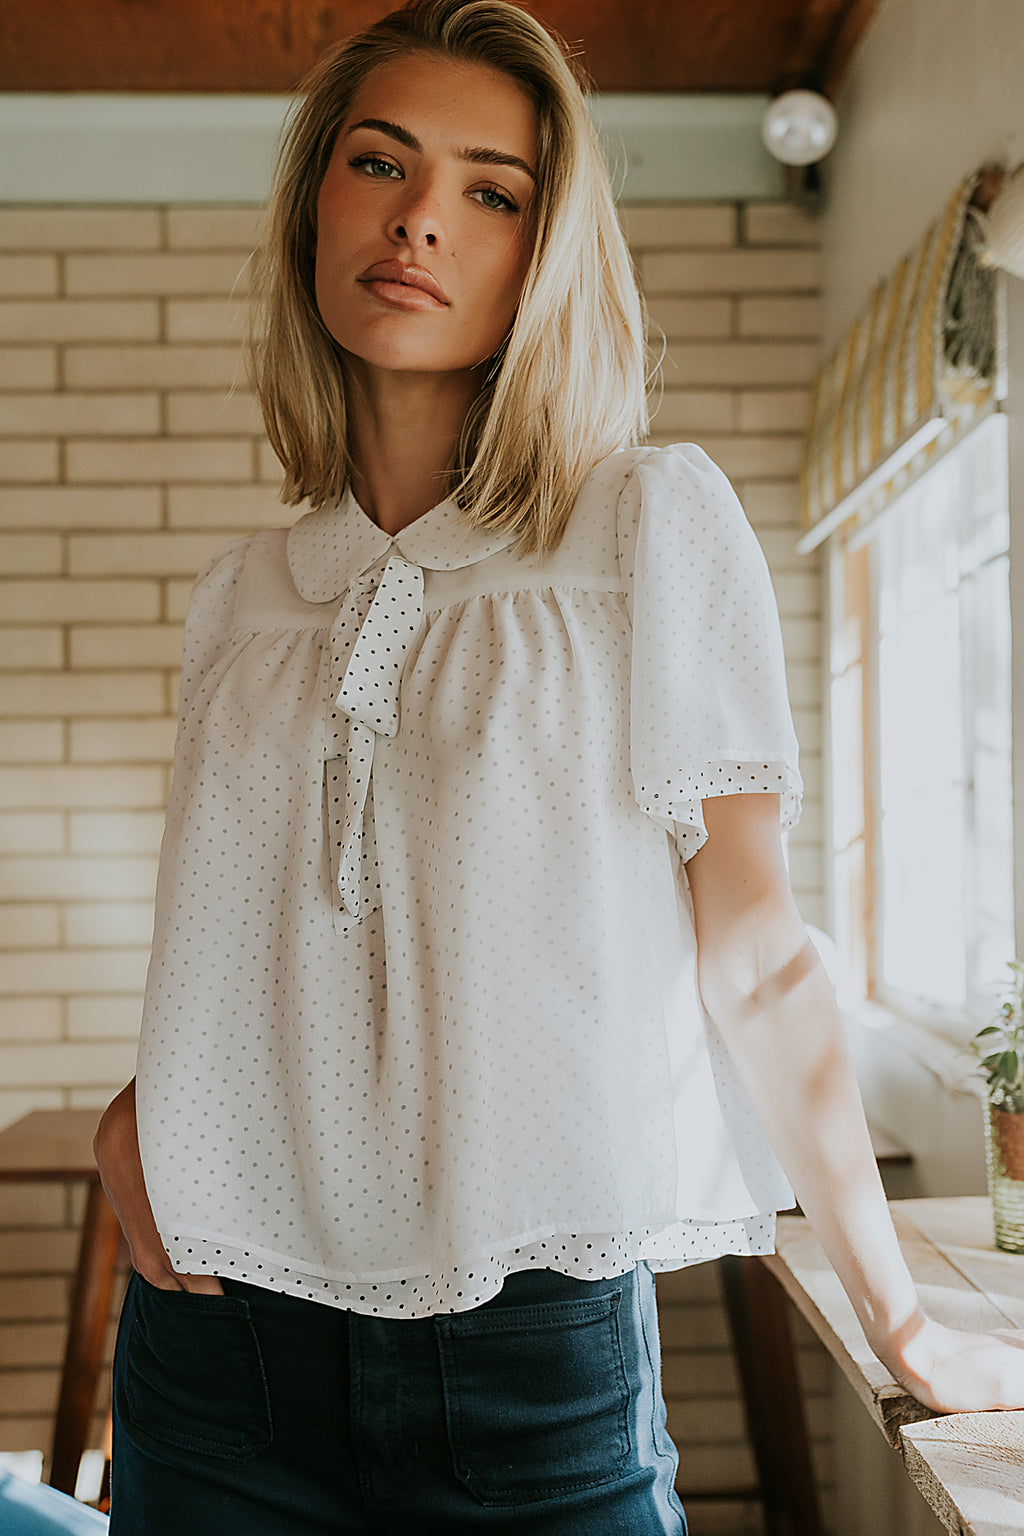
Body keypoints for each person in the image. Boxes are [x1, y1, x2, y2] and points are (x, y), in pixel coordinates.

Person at [93, 1, 1024, 1532]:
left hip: (527, 1353)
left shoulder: (646, 529)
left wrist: (900, 1321)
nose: (419, 218)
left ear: (548, 251)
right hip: (216, 1348)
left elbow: (756, 956)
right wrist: (146, 1110)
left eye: (491, 190)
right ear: (314, 203)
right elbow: (248, 937)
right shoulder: (244, 597)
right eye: (379, 163)